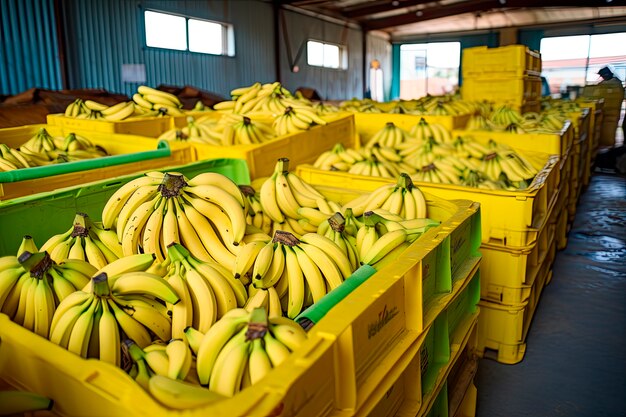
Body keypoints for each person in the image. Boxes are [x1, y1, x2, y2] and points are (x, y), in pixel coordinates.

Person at [595, 66, 625, 147]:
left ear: (606, 74)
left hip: (611, 114)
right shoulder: (615, 83)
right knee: (606, 133)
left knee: (609, 134)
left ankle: (609, 149)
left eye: (602, 76)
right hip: (607, 114)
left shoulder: (614, 84)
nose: (602, 77)